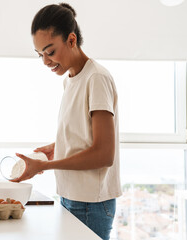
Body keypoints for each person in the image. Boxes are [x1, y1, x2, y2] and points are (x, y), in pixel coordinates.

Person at [12, 3, 122, 240]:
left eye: (50, 52)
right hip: (71, 197)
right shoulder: (70, 80)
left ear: (71, 40)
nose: (45, 61)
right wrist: (57, 147)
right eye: (40, 54)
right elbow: (85, 135)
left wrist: (43, 166)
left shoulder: (97, 78)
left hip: (91, 203)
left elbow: (104, 154)